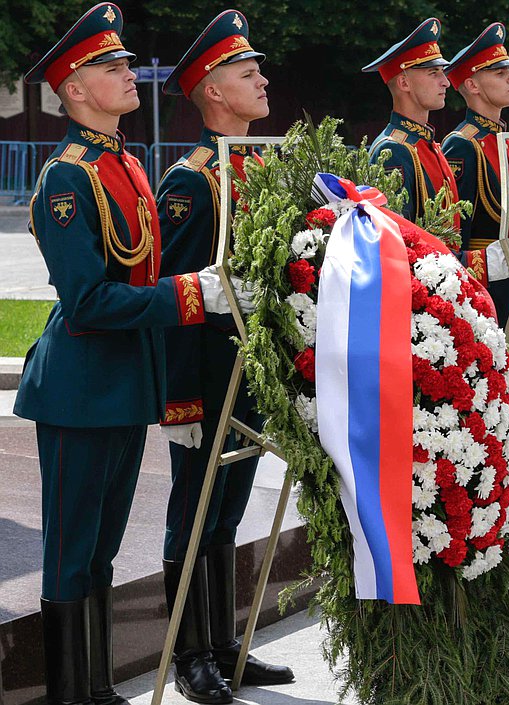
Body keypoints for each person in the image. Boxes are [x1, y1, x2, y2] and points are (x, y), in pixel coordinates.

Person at [17, 4, 251, 703]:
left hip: (121, 384)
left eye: (125, 63)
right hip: (79, 385)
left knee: (101, 551)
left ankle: (95, 686)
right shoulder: (67, 177)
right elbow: (88, 301)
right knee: (70, 552)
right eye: (111, 66)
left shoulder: (123, 163)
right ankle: (69, 691)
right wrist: (190, 295)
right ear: (76, 89)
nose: (128, 74)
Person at [155, 10, 295, 701]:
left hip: (250, 374)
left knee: (230, 511)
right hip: (206, 380)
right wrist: (179, 400)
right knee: (196, 510)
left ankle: (224, 643)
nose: (262, 80)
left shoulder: (258, 164)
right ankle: (188, 655)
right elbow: (178, 303)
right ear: (212, 91)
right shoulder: (191, 182)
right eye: (247, 73)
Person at [442, 22, 509, 360]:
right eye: (499, 72)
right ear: (472, 84)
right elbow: (455, 232)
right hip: (483, 286)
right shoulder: (462, 145)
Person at [362, 17, 460, 224]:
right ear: (404, 82)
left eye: (443, 73)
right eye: (434, 73)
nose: (446, 82)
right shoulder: (393, 150)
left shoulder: (425, 143)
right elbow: (403, 238)